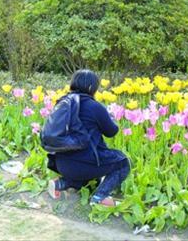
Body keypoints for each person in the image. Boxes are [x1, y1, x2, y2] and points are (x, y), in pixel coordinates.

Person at [47, 69, 130, 206]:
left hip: (60, 163)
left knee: (90, 170)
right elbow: (111, 131)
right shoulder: (94, 107)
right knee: (122, 161)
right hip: (83, 164)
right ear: (92, 87)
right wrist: (111, 117)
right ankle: (100, 198)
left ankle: (60, 183)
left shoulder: (62, 103)